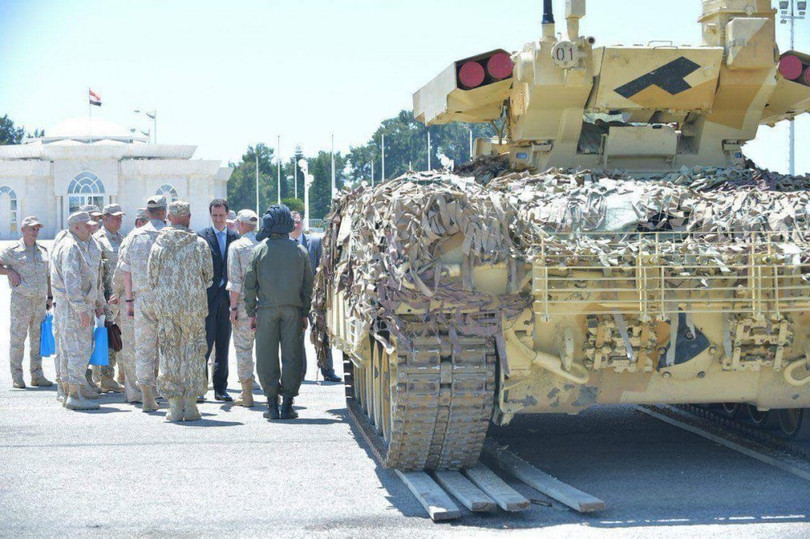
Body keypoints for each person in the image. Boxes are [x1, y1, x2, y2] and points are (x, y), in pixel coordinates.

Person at [245, 205, 313, 420]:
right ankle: (288, 404)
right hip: (293, 310)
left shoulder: (260, 250)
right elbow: (307, 285)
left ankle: (272, 404)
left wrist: (250, 312)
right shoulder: (300, 251)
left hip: (265, 311)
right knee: (292, 356)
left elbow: (250, 285)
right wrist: (305, 312)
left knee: (266, 356)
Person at [148, 201, 213, 421]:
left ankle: (174, 407)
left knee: (169, 352)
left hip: (167, 309)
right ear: (188, 217)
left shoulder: (158, 245)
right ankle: (192, 405)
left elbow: (152, 278)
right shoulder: (200, 244)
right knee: (194, 352)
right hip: (193, 308)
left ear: (168, 217)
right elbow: (208, 276)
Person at [50, 211, 105, 410]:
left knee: (71, 348)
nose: (91, 227)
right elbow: (71, 280)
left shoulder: (81, 244)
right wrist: (81, 308)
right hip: (73, 307)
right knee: (76, 350)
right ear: (76, 227)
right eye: (86, 225)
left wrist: (98, 302)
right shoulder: (70, 247)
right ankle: (74, 394)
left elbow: (93, 278)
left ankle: (69, 391)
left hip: (76, 306)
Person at [119, 195, 167, 412]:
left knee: (144, 347)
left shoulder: (133, 236)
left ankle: (147, 395)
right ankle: (165, 391)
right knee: (167, 347)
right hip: (166, 299)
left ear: (148, 213)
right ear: (164, 212)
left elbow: (125, 271)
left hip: (141, 299)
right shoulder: (169, 235)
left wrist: (128, 300)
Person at [0, 216, 53, 389]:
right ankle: (17, 376)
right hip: (21, 302)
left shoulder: (43, 251)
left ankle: (37, 374)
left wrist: (50, 297)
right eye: (32, 229)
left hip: (39, 303)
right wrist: (8, 271)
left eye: (37, 229)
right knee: (18, 339)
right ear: (23, 230)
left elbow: (48, 276)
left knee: (37, 340)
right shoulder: (12, 250)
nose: (35, 232)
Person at [289, 211, 341, 383]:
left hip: (315, 298)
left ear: (302, 223)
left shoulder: (315, 242)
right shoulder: (286, 245)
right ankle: (299, 372)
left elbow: (324, 269)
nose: (295, 225)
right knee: (296, 337)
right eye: (292, 222)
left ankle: (327, 370)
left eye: (297, 222)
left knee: (321, 334)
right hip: (295, 299)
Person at [108, 208, 150, 403]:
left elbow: (120, 272)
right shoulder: (155, 237)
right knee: (148, 345)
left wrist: (115, 294)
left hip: (130, 300)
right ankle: (149, 389)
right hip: (145, 301)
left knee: (133, 346)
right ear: (140, 222)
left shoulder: (130, 240)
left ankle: (135, 391)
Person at [198, 198, 238, 402]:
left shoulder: (234, 237)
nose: (218, 219)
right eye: (215, 216)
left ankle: (221, 388)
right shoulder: (202, 237)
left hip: (227, 299)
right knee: (204, 344)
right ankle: (200, 388)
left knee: (223, 345)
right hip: (207, 299)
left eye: (221, 215)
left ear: (228, 214)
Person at [226, 209, 260, 407]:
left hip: (244, 305)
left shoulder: (237, 247)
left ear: (241, 224)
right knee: (264, 349)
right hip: (263, 305)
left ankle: (246, 393)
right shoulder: (263, 245)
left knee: (243, 348)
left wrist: (232, 308)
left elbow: (235, 281)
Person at [92, 203, 125, 392]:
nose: (119, 220)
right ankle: (103, 377)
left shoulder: (122, 239)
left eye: (120, 217)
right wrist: (100, 299)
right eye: (115, 217)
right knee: (105, 338)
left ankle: (112, 376)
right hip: (106, 298)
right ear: (104, 218)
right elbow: (95, 272)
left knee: (117, 338)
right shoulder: (97, 240)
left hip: (120, 298)